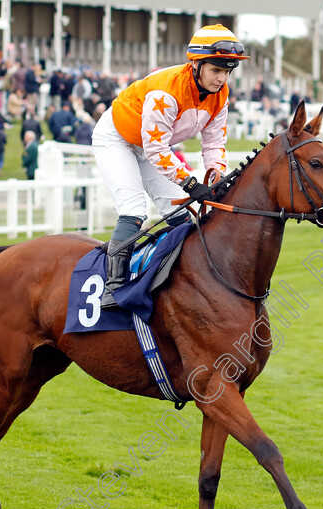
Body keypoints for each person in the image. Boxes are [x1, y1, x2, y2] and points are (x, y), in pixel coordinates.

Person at [91, 23, 248, 309]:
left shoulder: (221, 96)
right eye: (216, 70)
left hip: (150, 146)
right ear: (196, 65)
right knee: (134, 210)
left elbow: (214, 145)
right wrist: (189, 183)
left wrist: (215, 176)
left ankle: (174, 278)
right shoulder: (167, 91)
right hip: (117, 138)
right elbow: (156, 148)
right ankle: (112, 288)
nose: (222, 78)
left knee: (179, 216)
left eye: (227, 72)